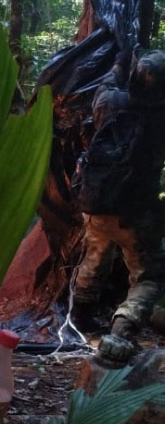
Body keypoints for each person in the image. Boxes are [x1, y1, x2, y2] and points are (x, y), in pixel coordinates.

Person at [69, 50, 165, 343]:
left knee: (95, 256)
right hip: (135, 213)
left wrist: (121, 61)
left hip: (95, 202)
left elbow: (106, 85)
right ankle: (124, 326)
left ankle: (81, 317)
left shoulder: (111, 102)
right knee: (148, 275)